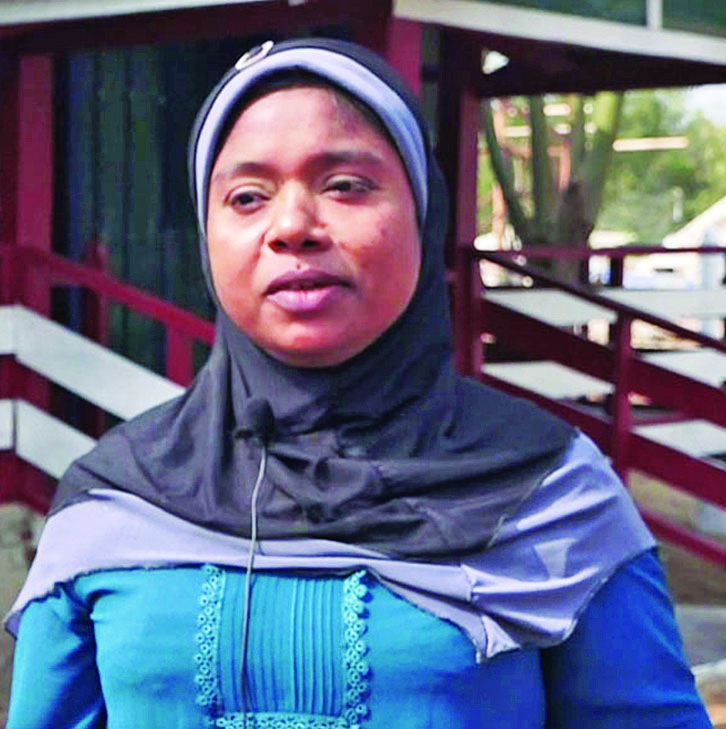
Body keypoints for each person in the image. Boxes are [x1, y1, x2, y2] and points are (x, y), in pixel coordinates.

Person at [5, 38, 711, 729]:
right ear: (206, 235)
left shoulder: (549, 496)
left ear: (424, 215)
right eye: (247, 197)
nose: (292, 226)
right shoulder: (111, 505)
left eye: (345, 185)